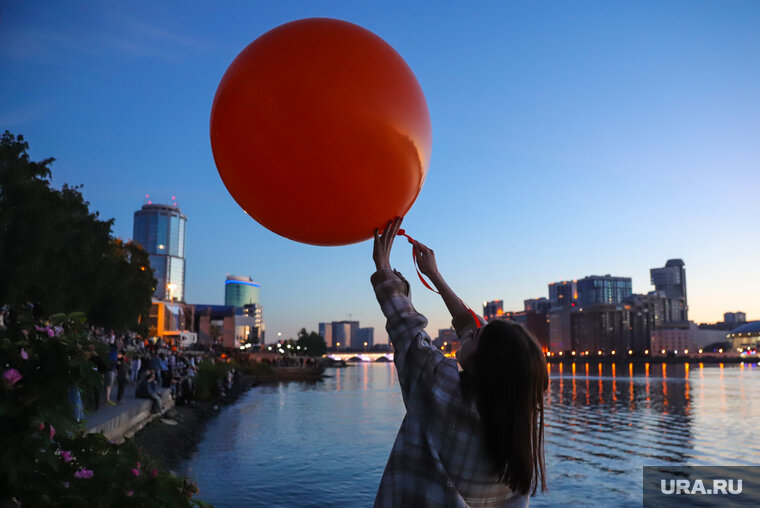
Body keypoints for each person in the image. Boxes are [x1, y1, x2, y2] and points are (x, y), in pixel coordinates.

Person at [371, 218, 548, 507]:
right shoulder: (517, 426)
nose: (466, 335)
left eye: (475, 336)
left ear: (485, 363)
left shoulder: (445, 390)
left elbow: (408, 331)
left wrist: (383, 266)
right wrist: (434, 276)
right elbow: (474, 329)